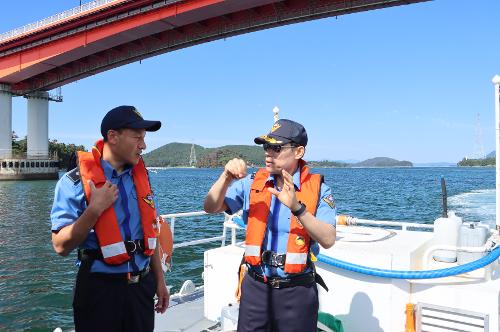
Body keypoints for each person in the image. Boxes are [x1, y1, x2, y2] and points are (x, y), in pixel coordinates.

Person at [204, 118, 337, 332]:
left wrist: (297, 208)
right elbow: (210, 206)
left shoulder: (320, 189)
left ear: (299, 152)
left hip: (297, 290)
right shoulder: (252, 184)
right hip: (256, 287)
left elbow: (329, 239)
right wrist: (226, 177)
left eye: (276, 147)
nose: (268, 153)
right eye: (266, 146)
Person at [50, 105, 169, 332]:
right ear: (112, 136)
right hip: (99, 291)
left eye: (144, 138)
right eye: (137, 137)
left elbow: (149, 234)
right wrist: (94, 210)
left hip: (142, 288)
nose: (143, 145)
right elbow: (59, 246)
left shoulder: (141, 178)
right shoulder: (74, 183)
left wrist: (159, 281)